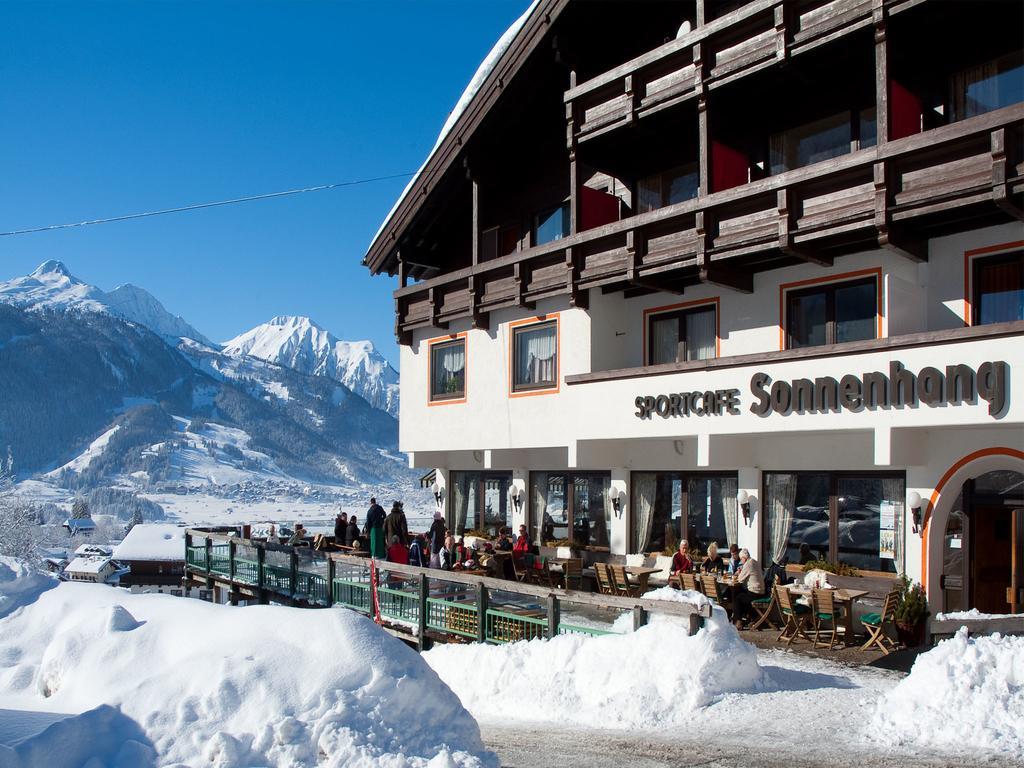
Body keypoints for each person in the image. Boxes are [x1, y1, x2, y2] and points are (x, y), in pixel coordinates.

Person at [732, 548, 765, 629]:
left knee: (737, 598)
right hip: (761, 591)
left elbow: (740, 579)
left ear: (743, 558)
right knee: (741, 594)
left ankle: (738, 622)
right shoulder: (754, 562)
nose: (741, 561)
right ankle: (750, 617)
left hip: (755, 593)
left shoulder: (748, 564)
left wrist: (739, 572)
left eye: (741, 559)